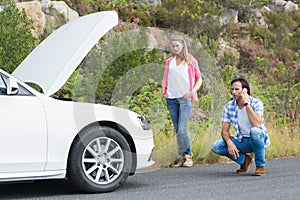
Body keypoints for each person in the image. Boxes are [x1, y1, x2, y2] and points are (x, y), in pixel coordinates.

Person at [211, 77, 270, 176]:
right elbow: (224, 130)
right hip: (241, 140)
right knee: (217, 146)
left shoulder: (256, 103)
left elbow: (257, 124)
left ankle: (260, 166)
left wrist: (246, 103)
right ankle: (245, 161)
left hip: (257, 139)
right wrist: (229, 142)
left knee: (255, 131)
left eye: (237, 89)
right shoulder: (229, 106)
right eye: (232, 89)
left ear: (244, 90)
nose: (234, 92)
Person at [162, 36, 202, 167]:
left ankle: (188, 156)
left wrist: (192, 92)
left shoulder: (190, 61)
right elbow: (165, 77)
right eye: (173, 46)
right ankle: (181, 156)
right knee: (176, 128)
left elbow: (199, 78)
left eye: (177, 46)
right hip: (172, 98)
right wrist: (164, 91)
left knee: (182, 128)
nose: (175, 48)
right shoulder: (169, 61)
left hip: (185, 98)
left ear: (183, 46)